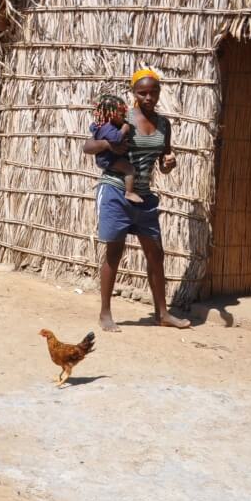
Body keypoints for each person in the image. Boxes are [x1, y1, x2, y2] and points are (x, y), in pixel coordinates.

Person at [82, 68, 190, 332]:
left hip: (144, 196)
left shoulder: (164, 125)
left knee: (156, 254)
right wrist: (108, 145)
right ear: (134, 93)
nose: (149, 97)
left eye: (153, 92)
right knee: (114, 252)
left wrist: (168, 164)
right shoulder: (123, 118)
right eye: (143, 93)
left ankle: (162, 313)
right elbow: (89, 146)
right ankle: (105, 313)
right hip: (116, 191)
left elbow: (163, 160)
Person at [89, 93, 140, 204]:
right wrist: (124, 129)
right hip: (109, 159)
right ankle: (129, 192)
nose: (124, 117)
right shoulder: (107, 128)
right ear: (111, 115)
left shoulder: (101, 125)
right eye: (121, 115)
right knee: (129, 169)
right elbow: (116, 138)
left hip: (107, 158)